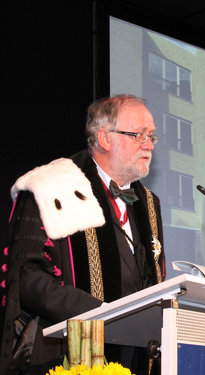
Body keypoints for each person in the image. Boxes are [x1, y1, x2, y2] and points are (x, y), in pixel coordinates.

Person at [0, 94, 166, 375]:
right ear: (105, 138)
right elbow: (26, 277)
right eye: (139, 135)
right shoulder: (48, 186)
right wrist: (102, 313)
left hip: (133, 358)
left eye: (151, 136)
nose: (149, 144)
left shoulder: (149, 203)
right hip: (65, 353)